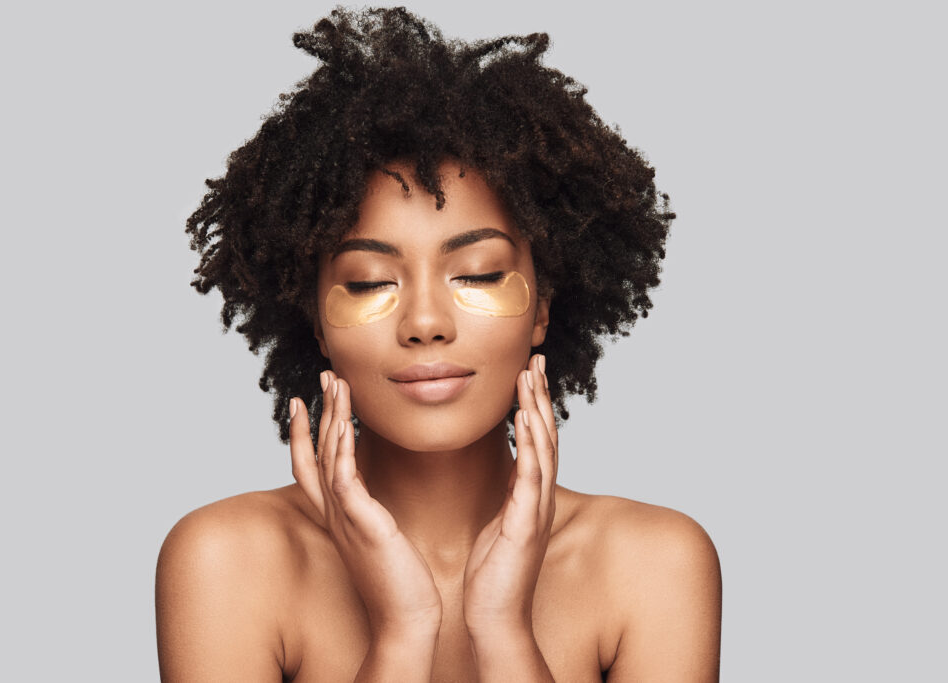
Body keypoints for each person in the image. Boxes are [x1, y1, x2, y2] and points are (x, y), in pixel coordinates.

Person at [156, 7, 721, 681]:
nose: (425, 321)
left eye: (478, 272)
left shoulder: (654, 563)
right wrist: (403, 629)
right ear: (315, 321)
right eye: (368, 282)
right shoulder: (226, 559)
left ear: (541, 308)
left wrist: (502, 628)